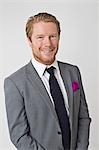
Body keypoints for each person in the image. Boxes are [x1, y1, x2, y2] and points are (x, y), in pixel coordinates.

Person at [4, 12, 91, 150]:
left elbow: (83, 117)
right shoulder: (15, 83)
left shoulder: (73, 72)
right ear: (29, 40)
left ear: (59, 37)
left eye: (52, 36)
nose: (48, 43)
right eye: (40, 37)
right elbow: (19, 135)